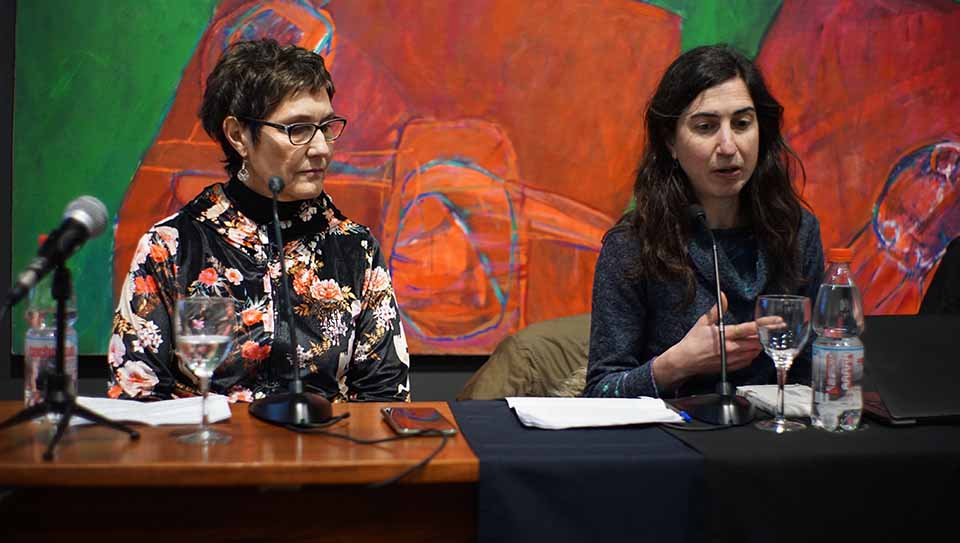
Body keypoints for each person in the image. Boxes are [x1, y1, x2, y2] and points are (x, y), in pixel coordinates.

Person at [108, 39, 410, 403]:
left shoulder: (354, 248)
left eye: (326, 126)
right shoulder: (172, 247)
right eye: (297, 128)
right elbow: (136, 395)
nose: (321, 148)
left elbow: (386, 397)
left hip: (325, 452)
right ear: (238, 136)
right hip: (201, 452)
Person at [583, 44, 824, 399]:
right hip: (670, 443)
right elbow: (600, 392)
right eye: (706, 127)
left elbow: (817, 372)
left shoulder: (797, 232)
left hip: (773, 441)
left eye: (742, 123)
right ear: (671, 142)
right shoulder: (631, 246)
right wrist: (679, 363)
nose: (728, 146)